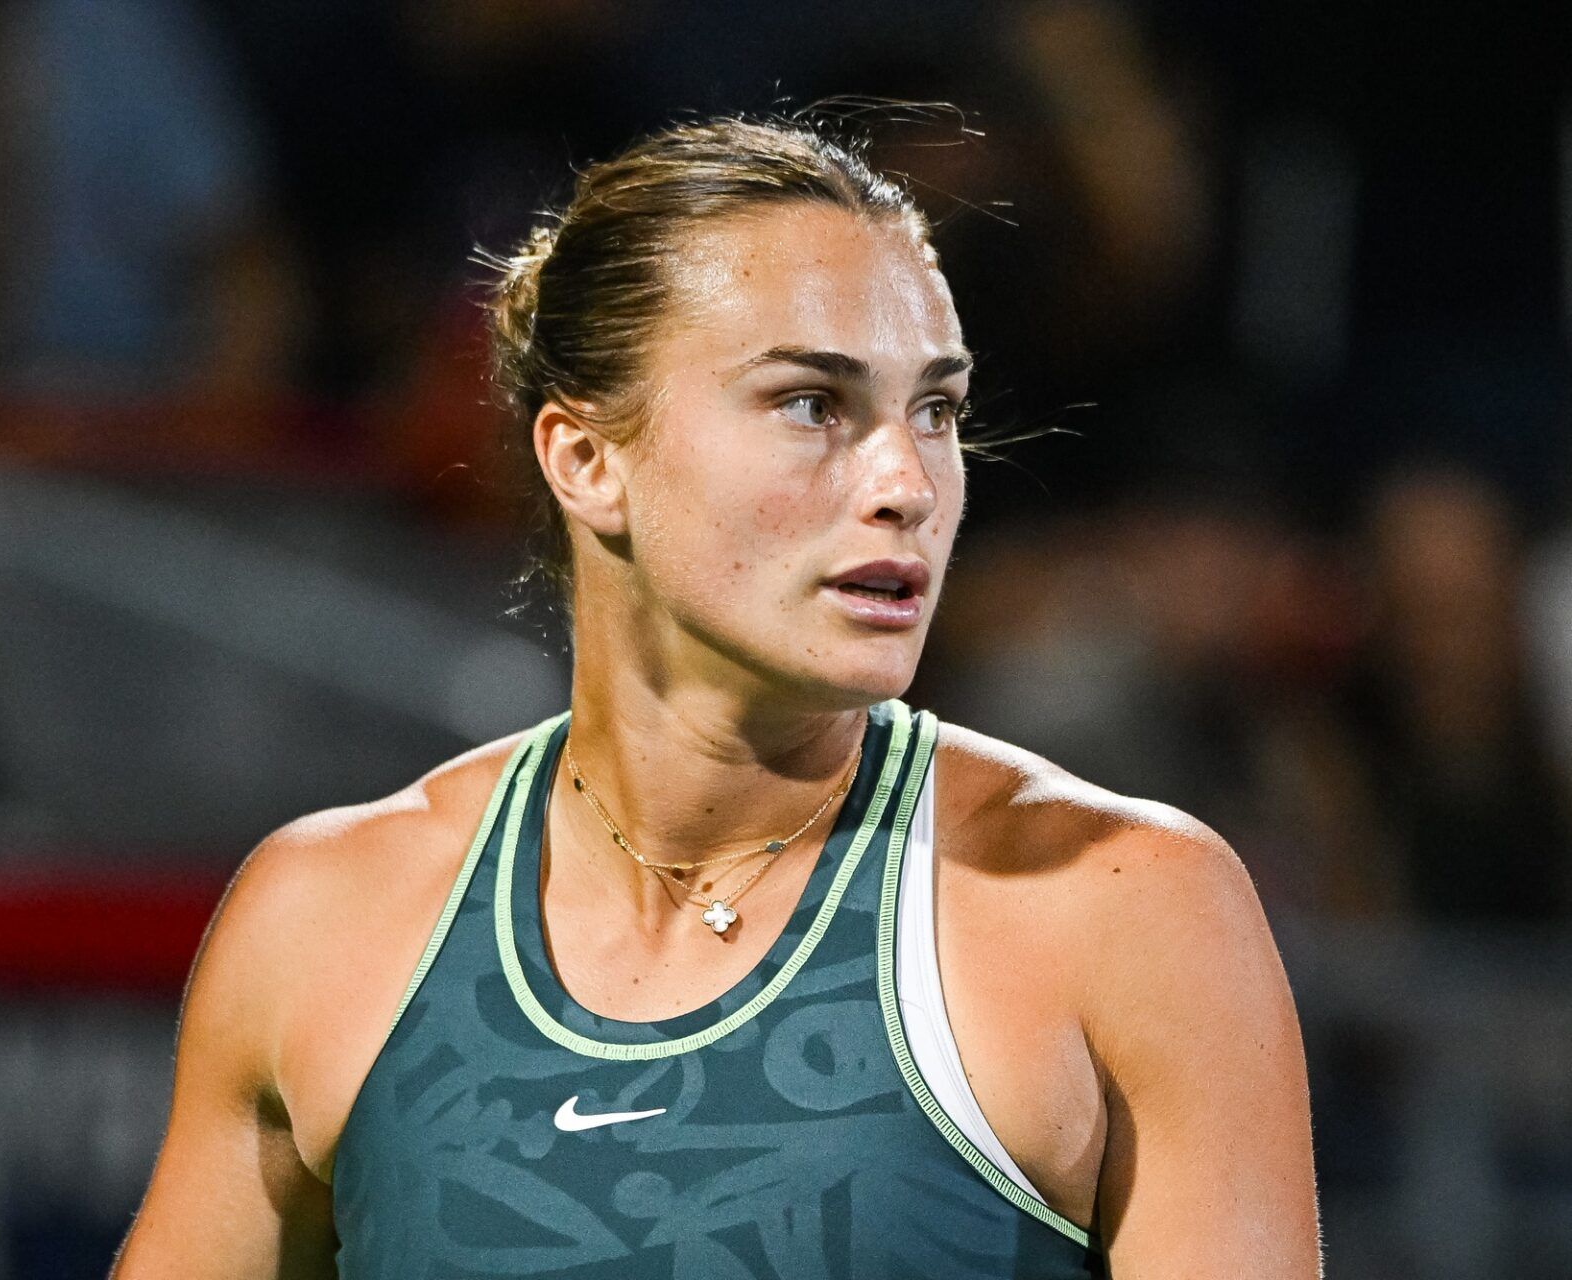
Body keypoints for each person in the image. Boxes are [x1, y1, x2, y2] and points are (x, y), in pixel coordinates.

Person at [110, 114, 1320, 1279]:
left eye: (935, 410)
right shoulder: (323, 918)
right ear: (587, 459)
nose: (906, 480)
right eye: (812, 402)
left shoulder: (1122, 908)